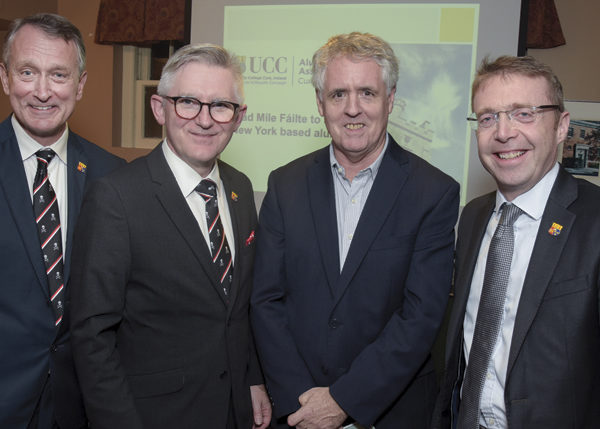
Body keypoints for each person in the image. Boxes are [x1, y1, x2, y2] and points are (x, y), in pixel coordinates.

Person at [251, 32, 460, 429]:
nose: (352, 109)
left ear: (390, 99)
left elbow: (421, 316)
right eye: (337, 95)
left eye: (367, 93)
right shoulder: (285, 184)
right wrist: (302, 402)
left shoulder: (434, 192)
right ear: (319, 103)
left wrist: (345, 400)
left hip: (390, 411)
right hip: (296, 408)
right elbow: (266, 300)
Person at [69, 43, 271, 429]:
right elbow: (92, 337)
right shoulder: (116, 197)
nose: (205, 119)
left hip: (234, 413)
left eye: (220, 106)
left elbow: (237, 309)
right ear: (159, 108)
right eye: (188, 102)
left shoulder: (240, 188)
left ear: (238, 117)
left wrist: (252, 377)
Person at [431, 56, 600, 429]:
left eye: (523, 113)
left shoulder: (594, 221)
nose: (503, 133)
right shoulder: (473, 217)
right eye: (488, 118)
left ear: (561, 126)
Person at [0, 13, 124, 429]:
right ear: (4, 77)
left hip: (84, 404)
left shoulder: (114, 177)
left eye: (58, 74)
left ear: (80, 84)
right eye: (27, 72)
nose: (42, 91)